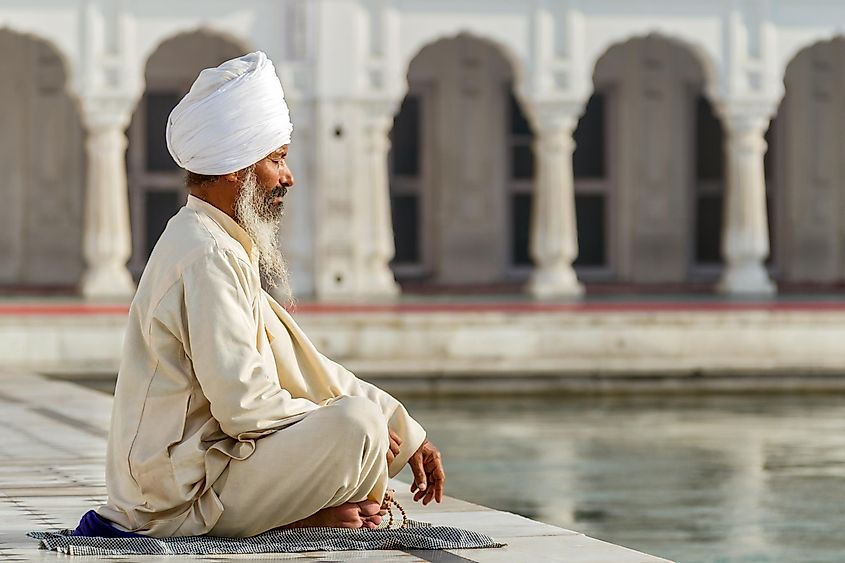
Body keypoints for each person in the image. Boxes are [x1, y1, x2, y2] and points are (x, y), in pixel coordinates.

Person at [95, 51, 445, 538]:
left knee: (360, 422)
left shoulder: (215, 241)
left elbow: (303, 364)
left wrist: (407, 434)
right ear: (237, 168)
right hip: (169, 501)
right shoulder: (206, 254)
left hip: (199, 475)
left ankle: (311, 513)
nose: (288, 176)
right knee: (355, 425)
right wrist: (352, 424)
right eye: (277, 158)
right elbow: (245, 405)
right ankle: (305, 517)